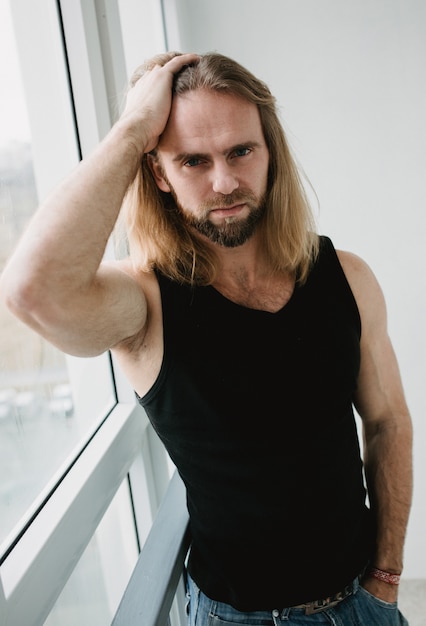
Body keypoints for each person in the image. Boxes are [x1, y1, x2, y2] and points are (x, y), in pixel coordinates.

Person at [0, 51, 413, 625]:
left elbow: (388, 420)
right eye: (193, 160)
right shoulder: (145, 304)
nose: (225, 182)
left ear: (271, 153)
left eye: (242, 151)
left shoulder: (346, 275)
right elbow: (31, 290)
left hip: (361, 605)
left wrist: (387, 576)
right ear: (159, 174)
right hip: (233, 618)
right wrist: (132, 130)